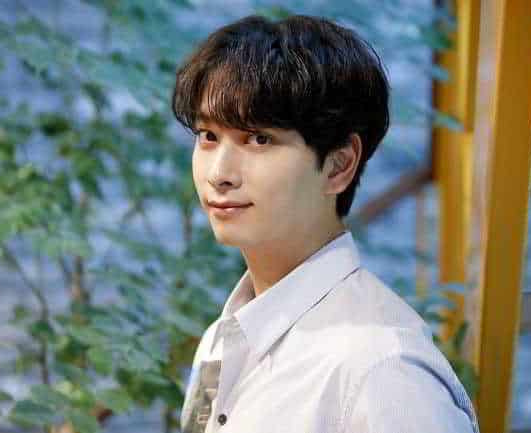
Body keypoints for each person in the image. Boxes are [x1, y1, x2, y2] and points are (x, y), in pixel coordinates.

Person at [170, 13, 480, 433]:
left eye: (259, 139)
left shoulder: (385, 373)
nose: (219, 173)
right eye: (208, 136)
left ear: (339, 165)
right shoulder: (222, 338)